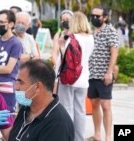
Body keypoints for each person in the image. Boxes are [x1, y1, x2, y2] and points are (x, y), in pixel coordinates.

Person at [8, 59, 74, 141]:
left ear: (37, 87)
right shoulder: (25, 110)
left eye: (21, 82)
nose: (16, 87)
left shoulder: (58, 124)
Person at [57, 11, 94, 141]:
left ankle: (68, 137)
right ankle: (79, 138)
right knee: (80, 111)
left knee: (67, 108)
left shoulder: (72, 38)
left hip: (69, 79)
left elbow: (64, 59)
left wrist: (61, 45)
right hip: (83, 79)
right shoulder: (90, 38)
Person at [87, 6, 119, 141]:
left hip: (104, 75)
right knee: (94, 104)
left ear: (105, 17)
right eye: (92, 15)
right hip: (90, 74)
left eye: (97, 16)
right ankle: (97, 134)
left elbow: (114, 52)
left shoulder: (110, 31)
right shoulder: (89, 31)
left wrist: (109, 72)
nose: (94, 18)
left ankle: (108, 137)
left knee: (105, 105)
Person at [0, 10, 23, 113]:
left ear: (11, 24)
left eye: (1, 22)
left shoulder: (16, 43)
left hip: (7, 86)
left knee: (7, 120)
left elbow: (9, 68)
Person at [51, 9, 73, 94]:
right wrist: (58, 66)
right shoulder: (59, 35)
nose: (65, 22)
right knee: (55, 94)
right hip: (60, 69)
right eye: (63, 20)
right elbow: (54, 52)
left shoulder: (76, 35)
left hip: (71, 69)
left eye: (67, 20)